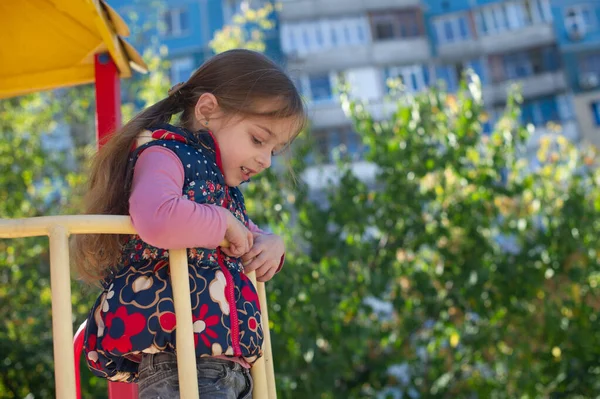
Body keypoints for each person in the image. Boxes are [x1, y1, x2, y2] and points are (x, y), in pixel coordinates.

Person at [72, 49, 307, 398]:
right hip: (180, 360)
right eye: (259, 140)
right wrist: (224, 222)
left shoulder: (222, 193)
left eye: (274, 150)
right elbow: (156, 216)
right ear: (208, 111)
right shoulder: (165, 154)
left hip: (230, 366)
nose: (265, 160)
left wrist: (272, 244)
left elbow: (245, 237)